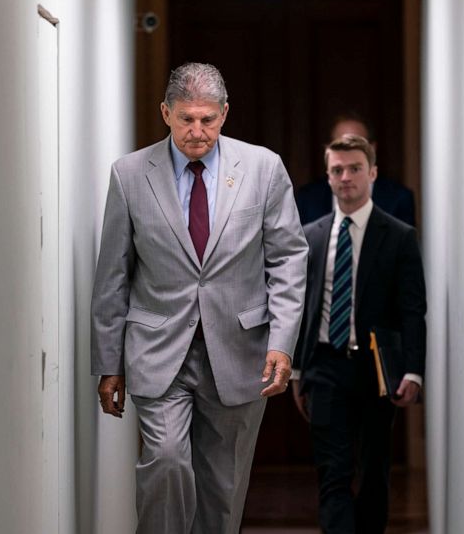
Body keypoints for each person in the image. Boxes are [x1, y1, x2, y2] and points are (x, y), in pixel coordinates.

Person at [91, 62, 308, 534]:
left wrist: (283, 342)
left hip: (239, 350)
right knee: (166, 463)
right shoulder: (130, 175)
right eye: (186, 118)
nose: (197, 130)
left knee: (222, 487)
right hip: (158, 348)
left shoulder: (263, 168)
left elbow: (289, 259)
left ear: (225, 114)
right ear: (165, 112)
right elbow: (113, 273)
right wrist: (109, 363)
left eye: (207, 119)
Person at [291, 134, 426, 533]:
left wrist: (413, 372)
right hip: (325, 367)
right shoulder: (311, 236)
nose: (345, 177)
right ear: (328, 176)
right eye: (337, 170)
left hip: (376, 370)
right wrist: (298, 371)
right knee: (332, 474)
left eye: (354, 169)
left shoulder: (399, 236)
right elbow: (301, 306)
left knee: (372, 476)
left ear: (373, 173)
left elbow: (412, 310)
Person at [294, 114, 416, 227]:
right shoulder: (307, 199)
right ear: (327, 151)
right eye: (340, 146)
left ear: (372, 149)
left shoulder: (399, 199)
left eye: (356, 146)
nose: (348, 154)